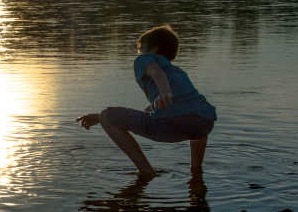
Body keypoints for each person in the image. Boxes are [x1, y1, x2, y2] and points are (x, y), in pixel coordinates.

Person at [77, 24, 216, 179]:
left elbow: (156, 73)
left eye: (140, 48)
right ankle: (196, 171)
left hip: (175, 124)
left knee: (108, 115)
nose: (139, 52)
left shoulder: (144, 59)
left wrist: (164, 92)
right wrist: (98, 118)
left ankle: (146, 172)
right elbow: (146, 114)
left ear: (154, 50)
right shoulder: (177, 72)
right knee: (195, 118)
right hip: (205, 123)